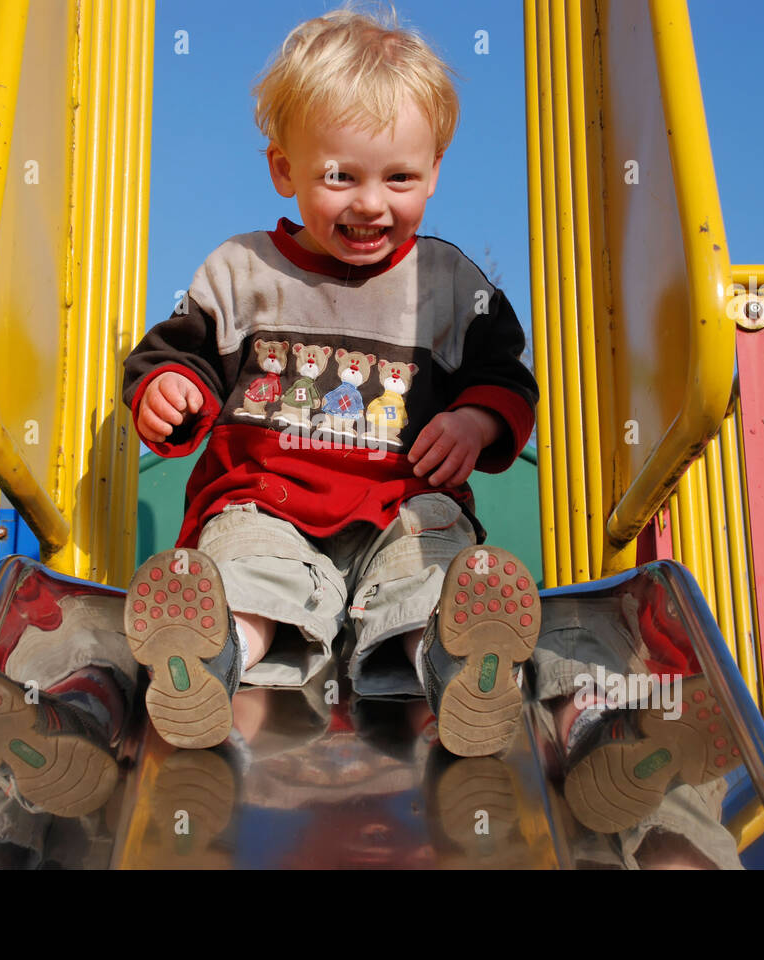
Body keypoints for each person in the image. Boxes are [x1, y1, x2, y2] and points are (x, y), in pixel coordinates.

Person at [120, 3, 541, 758]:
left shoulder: (448, 282)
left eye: (400, 177)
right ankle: (209, 664)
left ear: (435, 170)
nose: (371, 202)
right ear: (285, 168)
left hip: (405, 509)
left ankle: (459, 668)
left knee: (436, 581)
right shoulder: (242, 272)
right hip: (266, 502)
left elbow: (503, 375)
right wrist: (169, 392)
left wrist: (478, 420)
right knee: (245, 575)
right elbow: (178, 355)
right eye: (341, 176)